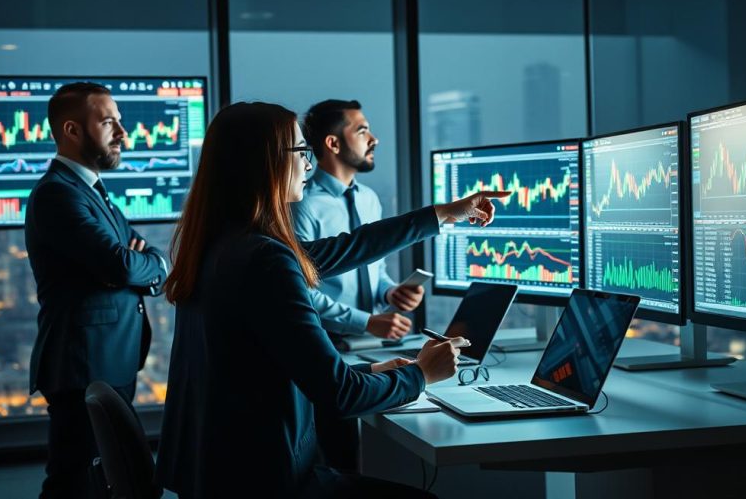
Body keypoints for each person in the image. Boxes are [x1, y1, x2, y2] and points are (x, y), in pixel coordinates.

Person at [155, 101, 508, 498]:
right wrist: (422, 374)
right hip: (268, 482)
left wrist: (443, 214)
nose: (308, 164)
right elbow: (341, 395)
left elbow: (348, 249)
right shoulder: (265, 260)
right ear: (267, 163)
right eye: (300, 152)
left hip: (218, 476)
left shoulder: (219, 246)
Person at [25, 82, 169, 499]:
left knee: (103, 480)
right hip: (83, 363)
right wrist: (137, 265)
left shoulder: (92, 193)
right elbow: (121, 264)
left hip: (106, 358)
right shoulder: (57, 194)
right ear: (71, 130)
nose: (123, 133)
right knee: (74, 482)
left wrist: (147, 265)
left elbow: (142, 260)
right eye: (109, 122)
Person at [292, 99, 420, 471]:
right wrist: (367, 321)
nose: (374, 139)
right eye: (362, 130)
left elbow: (375, 269)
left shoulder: (369, 199)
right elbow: (300, 290)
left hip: (370, 346)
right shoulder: (304, 204)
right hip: (327, 344)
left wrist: (389, 292)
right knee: (339, 454)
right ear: (333, 143)